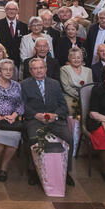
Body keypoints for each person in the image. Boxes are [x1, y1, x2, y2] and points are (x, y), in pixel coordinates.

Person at [22, 56, 73, 187]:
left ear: (46, 69)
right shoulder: (24, 84)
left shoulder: (54, 83)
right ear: (31, 71)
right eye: (35, 69)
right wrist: (35, 115)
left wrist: (55, 115)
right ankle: (33, 171)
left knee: (68, 138)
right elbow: (22, 105)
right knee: (33, 139)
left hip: (54, 119)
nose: (38, 71)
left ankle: (66, 172)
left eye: (41, 68)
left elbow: (63, 105)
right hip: (35, 120)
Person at [60, 47, 92, 118]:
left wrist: (84, 97)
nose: (76, 60)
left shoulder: (88, 70)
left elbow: (90, 87)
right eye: (73, 58)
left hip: (86, 96)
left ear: (82, 59)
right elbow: (66, 88)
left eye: (78, 57)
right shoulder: (64, 69)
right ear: (69, 59)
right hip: (70, 96)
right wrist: (79, 95)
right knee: (71, 107)